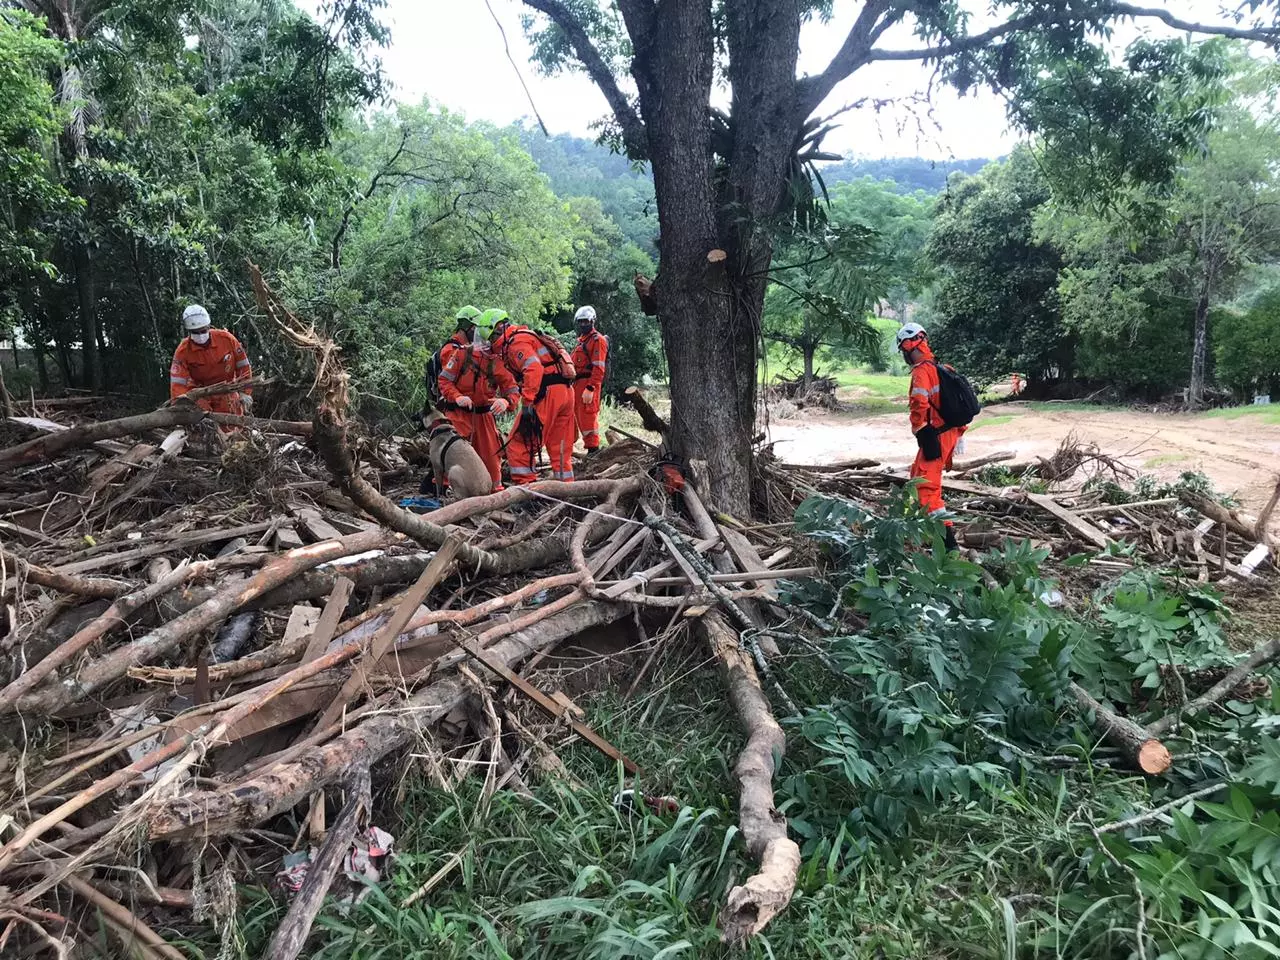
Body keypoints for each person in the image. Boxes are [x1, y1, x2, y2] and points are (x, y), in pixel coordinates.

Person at [476, 308, 576, 484]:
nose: (490, 343)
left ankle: (527, 492)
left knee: (519, 444)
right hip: (565, 392)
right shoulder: (526, 336)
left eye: (491, 337)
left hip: (547, 393)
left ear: (498, 329)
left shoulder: (516, 343)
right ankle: (567, 491)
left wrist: (528, 402)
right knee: (559, 447)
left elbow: (534, 369)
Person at [896, 322, 964, 552]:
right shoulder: (943, 368)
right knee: (917, 475)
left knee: (926, 488)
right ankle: (922, 532)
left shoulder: (922, 371)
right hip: (949, 433)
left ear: (908, 345)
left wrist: (921, 431)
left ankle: (948, 545)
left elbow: (919, 403)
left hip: (936, 435)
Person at [436, 305, 519, 490]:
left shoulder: (497, 361)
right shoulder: (460, 354)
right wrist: (457, 397)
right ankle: (445, 495)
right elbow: (444, 381)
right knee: (452, 460)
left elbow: (513, 390)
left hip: (484, 419)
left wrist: (506, 401)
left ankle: (493, 497)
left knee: (492, 467)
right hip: (458, 416)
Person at [169, 304, 253, 415]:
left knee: (234, 421)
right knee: (202, 423)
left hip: (227, 391)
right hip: (200, 394)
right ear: (189, 331)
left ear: (209, 327)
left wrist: (245, 392)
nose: (200, 335)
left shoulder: (227, 340)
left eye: (203, 331)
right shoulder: (183, 351)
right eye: (195, 332)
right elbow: (178, 384)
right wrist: (181, 405)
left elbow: (243, 367)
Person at [571, 305, 609, 455]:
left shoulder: (597, 340)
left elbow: (599, 368)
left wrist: (591, 388)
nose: (583, 325)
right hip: (577, 385)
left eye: (585, 322)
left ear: (592, 321)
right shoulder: (582, 341)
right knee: (576, 418)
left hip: (588, 384)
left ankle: (594, 452)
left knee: (588, 419)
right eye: (580, 322)